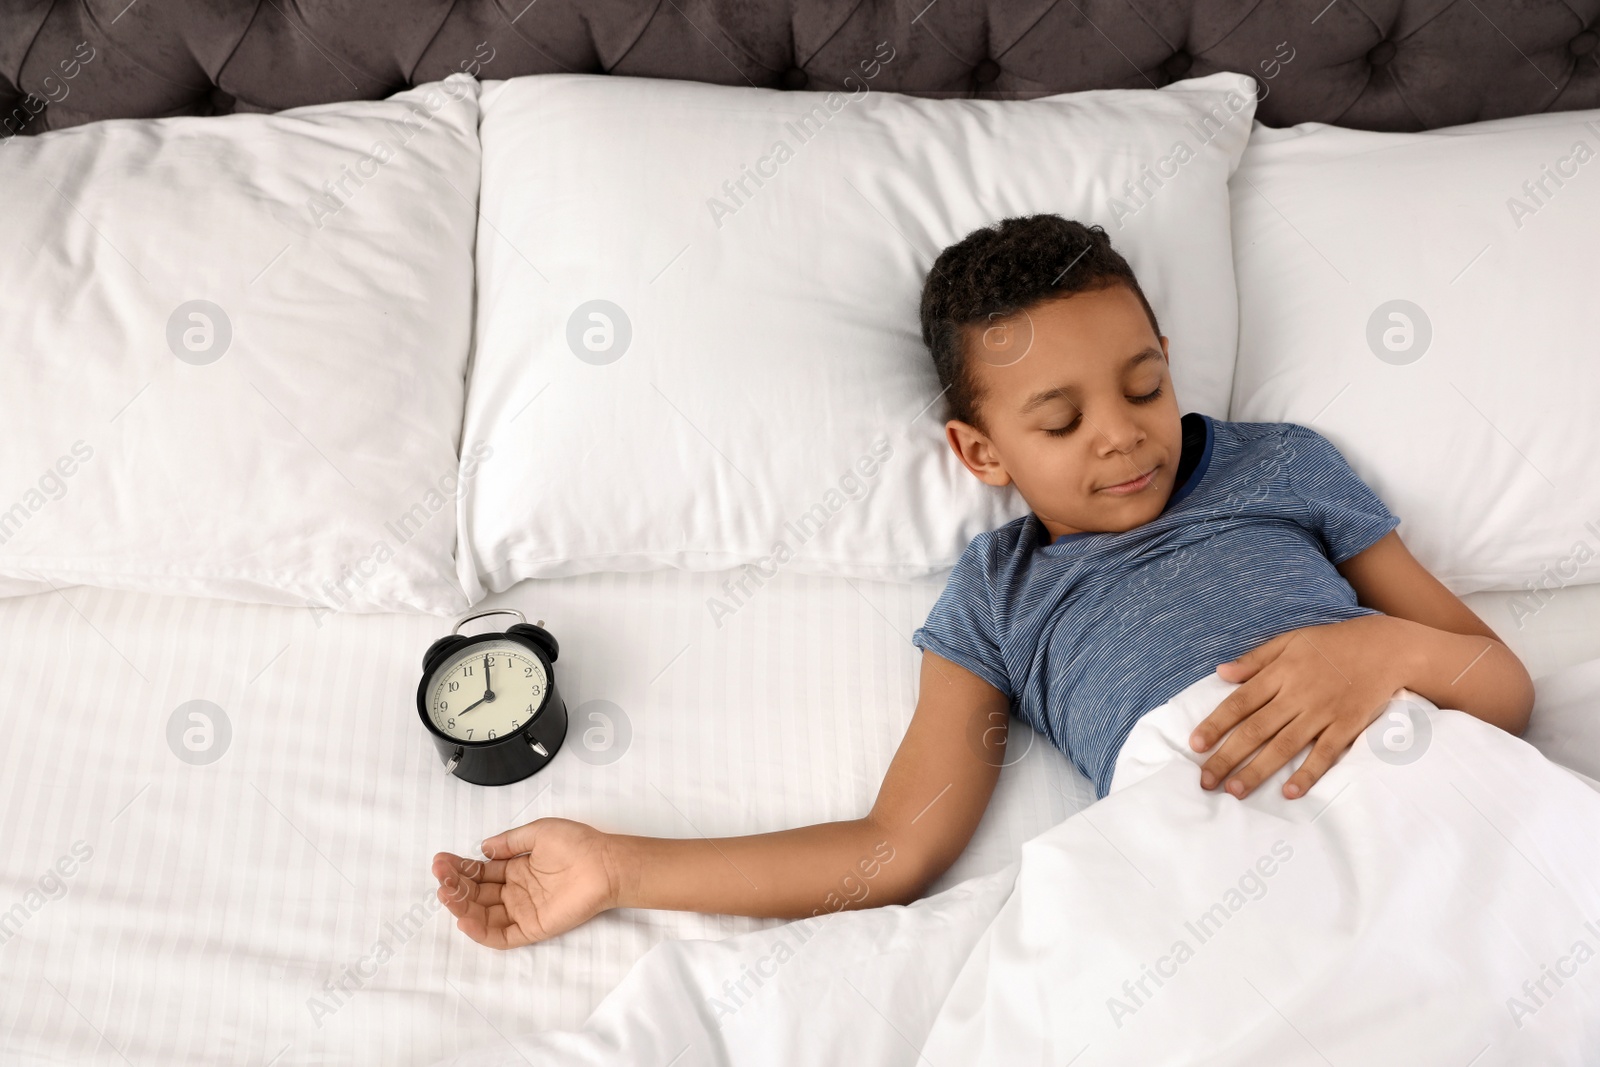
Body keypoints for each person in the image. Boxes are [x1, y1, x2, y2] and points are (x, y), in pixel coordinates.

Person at [432, 214, 1534, 950]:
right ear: (981, 452)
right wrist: (618, 868)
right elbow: (894, 848)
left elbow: (1501, 683)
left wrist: (1381, 650)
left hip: (1411, 770)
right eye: (1059, 420)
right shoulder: (995, 592)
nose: (1121, 437)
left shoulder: (1279, 464)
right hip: (1221, 842)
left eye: (1144, 386)